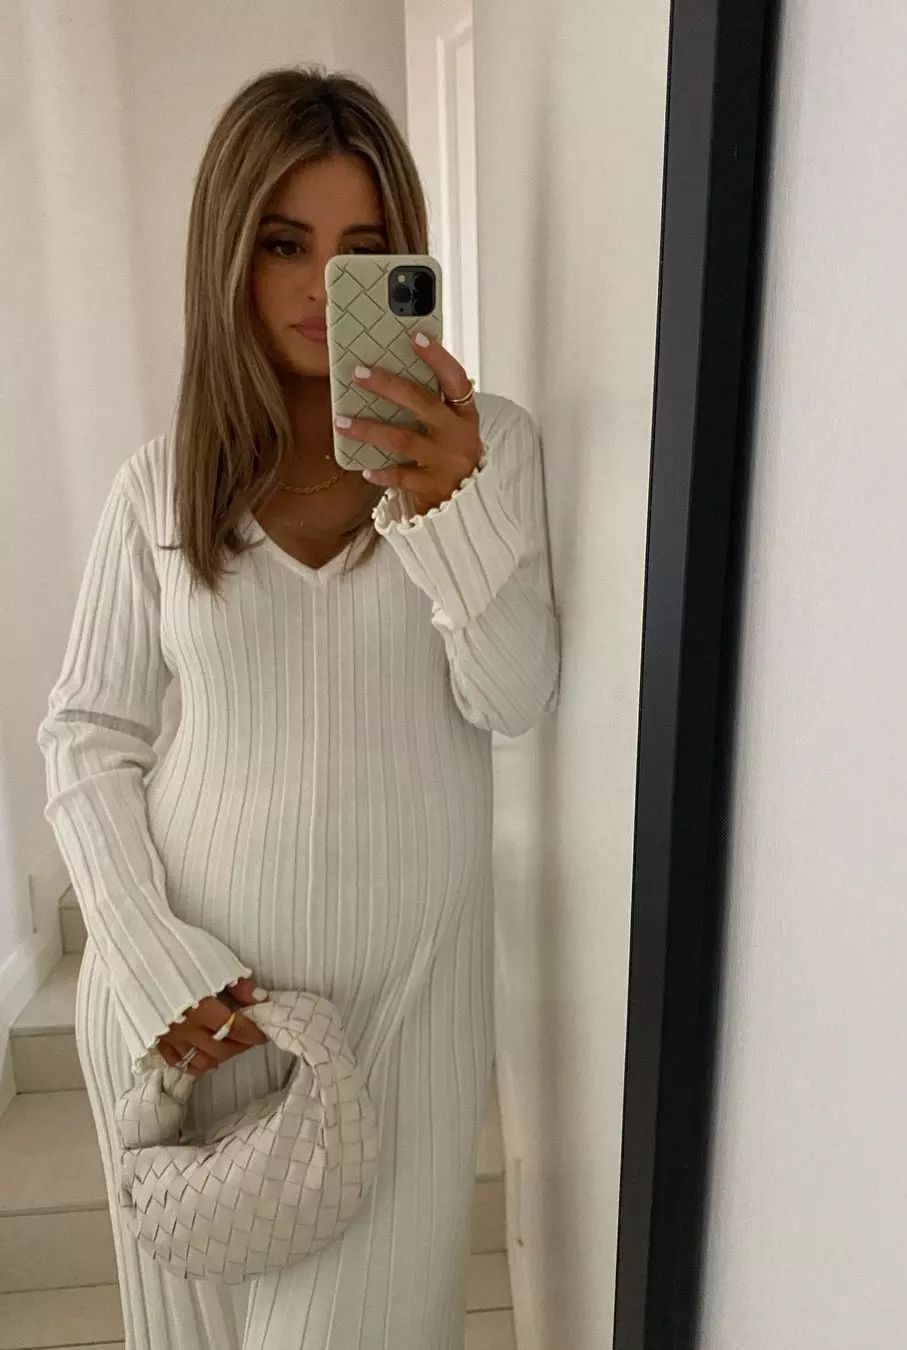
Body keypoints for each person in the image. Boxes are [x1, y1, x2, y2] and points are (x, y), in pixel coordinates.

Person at [35, 63, 560, 1350]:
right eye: (284, 243)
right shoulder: (161, 487)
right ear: (228, 255)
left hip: (399, 1024)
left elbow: (514, 697)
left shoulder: (490, 446)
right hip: (188, 1024)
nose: (323, 285)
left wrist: (445, 506)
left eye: (362, 251)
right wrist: (151, 962)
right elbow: (87, 738)